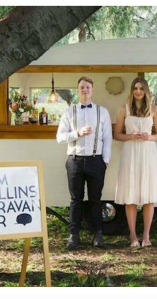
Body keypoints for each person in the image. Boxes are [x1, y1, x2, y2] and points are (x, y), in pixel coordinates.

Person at [57, 76, 113, 250]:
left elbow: (107, 138)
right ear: (77, 90)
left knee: (96, 199)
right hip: (75, 160)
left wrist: (105, 160)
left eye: (88, 87)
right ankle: (74, 235)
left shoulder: (102, 112)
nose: (85, 90)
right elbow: (59, 137)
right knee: (76, 200)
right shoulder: (69, 112)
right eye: (82, 87)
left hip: (96, 161)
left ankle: (98, 234)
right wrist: (77, 133)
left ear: (92, 90)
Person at [114, 77, 157, 248]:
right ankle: (133, 235)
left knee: (149, 195)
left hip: (148, 153)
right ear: (132, 90)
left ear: (146, 91)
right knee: (131, 196)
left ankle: (146, 235)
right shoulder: (124, 110)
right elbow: (117, 135)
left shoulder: (154, 110)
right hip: (130, 154)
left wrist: (148, 137)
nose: (138, 91)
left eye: (141, 88)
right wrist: (131, 136)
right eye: (135, 88)